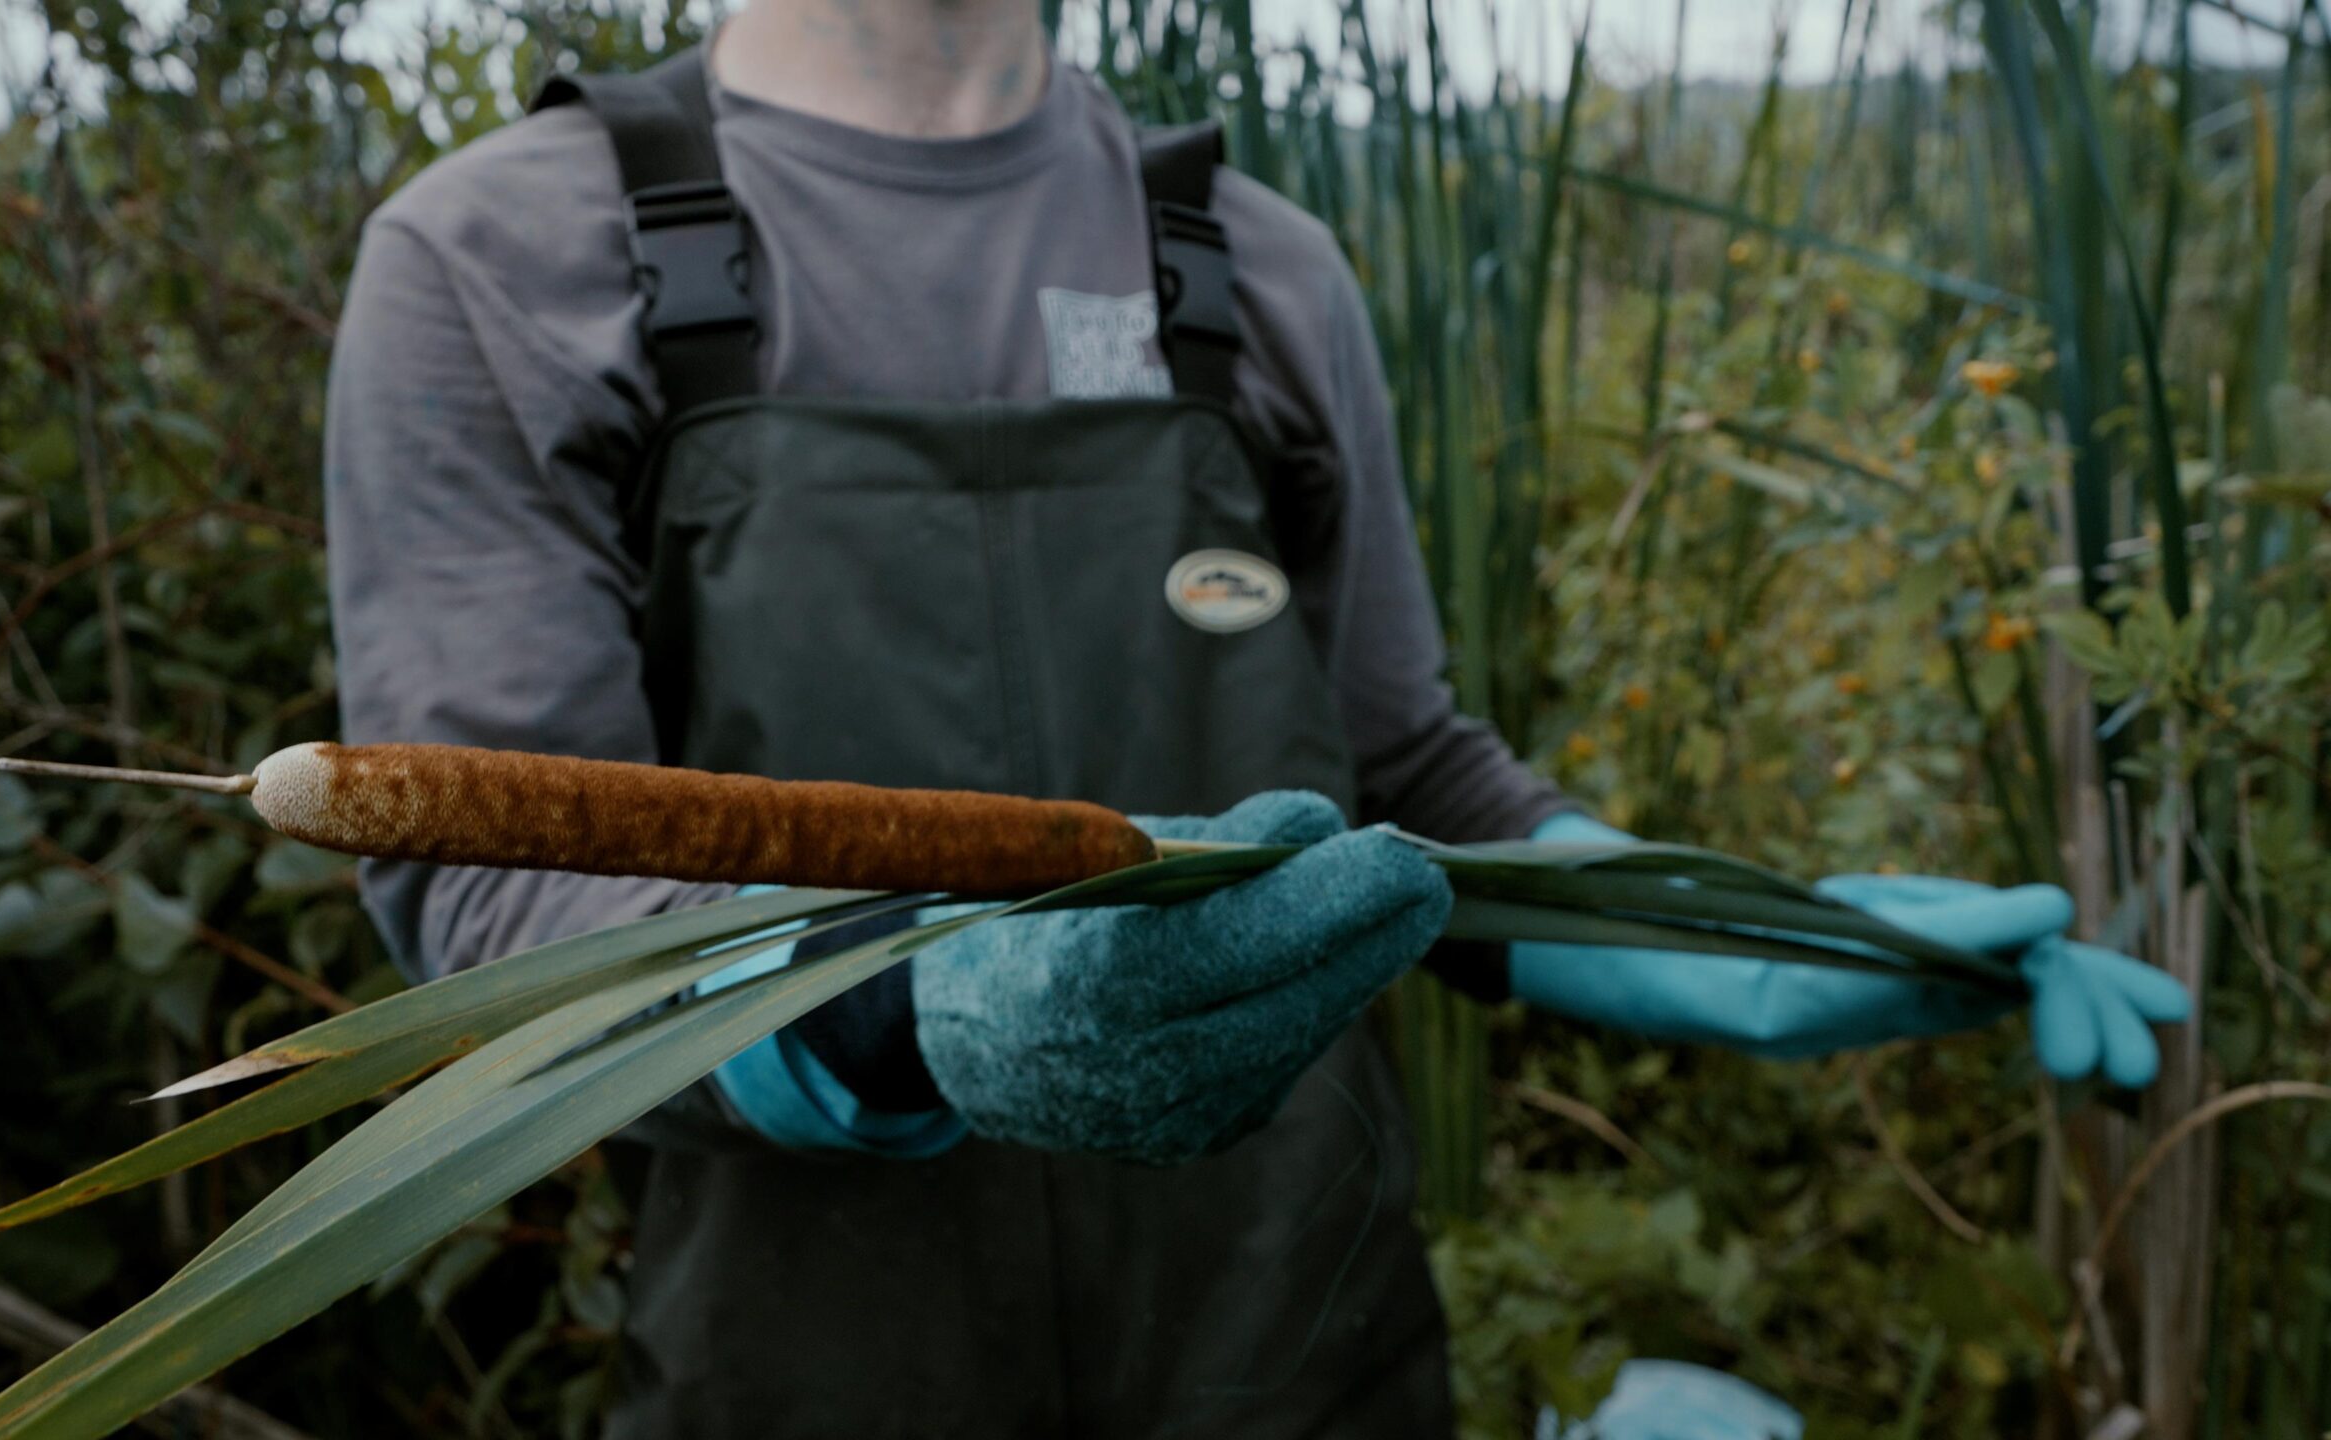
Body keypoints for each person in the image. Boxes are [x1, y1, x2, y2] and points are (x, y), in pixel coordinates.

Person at [321, 2, 2190, 1434]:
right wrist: (905, 1014)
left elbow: (1409, 774)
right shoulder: (501, 264)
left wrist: (1732, 931)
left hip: (1305, 1354)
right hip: (805, 1374)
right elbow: (498, 911)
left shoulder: (1256, 267)